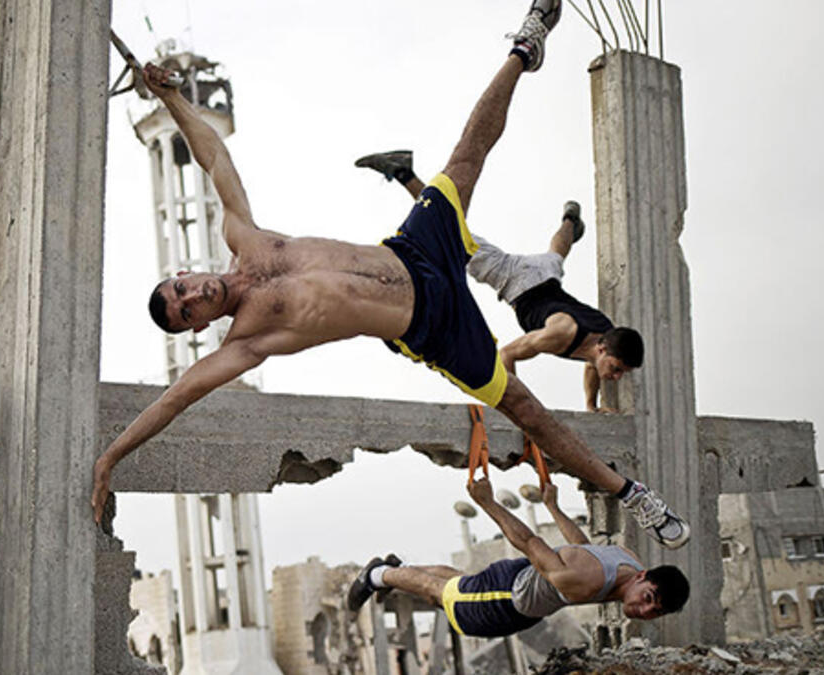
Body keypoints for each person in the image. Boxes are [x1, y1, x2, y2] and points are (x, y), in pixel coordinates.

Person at [92, 0, 689, 549]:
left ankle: (525, 45)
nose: (194, 295)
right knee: (526, 410)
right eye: (188, 310)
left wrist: (170, 99)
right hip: (432, 326)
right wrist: (110, 459)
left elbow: (213, 156)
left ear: (185, 272)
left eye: (182, 287)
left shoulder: (243, 237)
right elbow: (175, 399)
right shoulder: (247, 341)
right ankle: (633, 495)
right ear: (198, 325)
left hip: (415, 252)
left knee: (465, 158)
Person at [354, 149, 643, 413]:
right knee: (450, 231)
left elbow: (592, 364)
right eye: (616, 368)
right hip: (517, 279)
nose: (616, 377)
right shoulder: (561, 334)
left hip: (546, 276)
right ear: (602, 349)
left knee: (555, 256)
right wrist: (518, 409)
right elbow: (506, 354)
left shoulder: (605, 336)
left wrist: (591, 405)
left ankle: (570, 221)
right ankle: (404, 172)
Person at [346, 477, 690, 637]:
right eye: (648, 599)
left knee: (457, 583)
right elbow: (528, 541)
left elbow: (583, 546)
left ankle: (399, 569)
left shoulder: (626, 560)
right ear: (643, 577)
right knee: (439, 593)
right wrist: (487, 503)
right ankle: (376, 575)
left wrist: (553, 507)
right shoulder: (585, 581)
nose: (644, 610)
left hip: (522, 584)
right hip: (506, 600)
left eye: (655, 611)